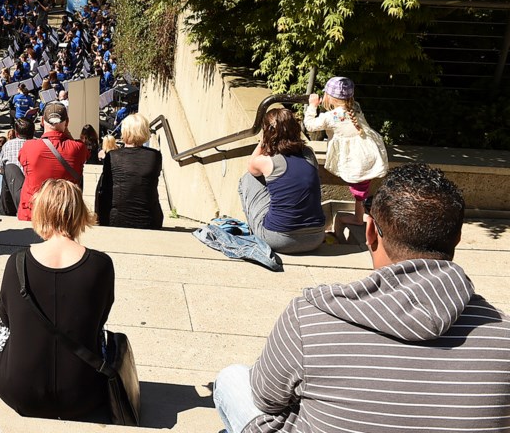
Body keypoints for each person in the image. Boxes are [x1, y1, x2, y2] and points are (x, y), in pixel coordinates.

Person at [213, 163, 510, 433]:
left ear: (370, 233)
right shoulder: (503, 336)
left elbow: (265, 398)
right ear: (457, 237)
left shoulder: (310, 317)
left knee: (233, 379)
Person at [0, 179, 114, 422]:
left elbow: (6, 320)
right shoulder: (101, 265)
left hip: (18, 390)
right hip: (84, 393)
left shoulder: (17, 262)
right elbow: (100, 319)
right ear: (79, 213)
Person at [238, 108, 326, 254]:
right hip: (316, 238)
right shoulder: (309, 154)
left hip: (280, 240)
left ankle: (253, 231)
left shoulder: (268, 162)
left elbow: (251, 166)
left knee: (248, 179)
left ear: (268, 132)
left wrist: (263, 142)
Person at [304, 76, 389, 226]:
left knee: (358, 187)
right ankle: (360, 214)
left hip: (355, 157)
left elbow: (310, 125)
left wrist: (312, 106)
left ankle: (358, 218)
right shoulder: (355, 107)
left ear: (329, 97)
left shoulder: (330, 117)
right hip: (367, 151)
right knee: (361, 188)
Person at [17, 102, 89, 222]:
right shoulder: (78, 148)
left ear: (42, 121)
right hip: (64, 215)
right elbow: (84, 157)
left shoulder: (29, 147)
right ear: (67, 122)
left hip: (33, 214)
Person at [95, 113, 163, 229]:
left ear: (124, 131)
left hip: (116, 219)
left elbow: (103, 190)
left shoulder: (113, 156)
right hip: (149, 219)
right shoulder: (155, 156)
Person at [0, 118, 34, 211]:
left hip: (14, 188)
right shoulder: (38, 144)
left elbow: (0, 168)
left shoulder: (8, 145)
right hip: (32, 185)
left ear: (16, 133)